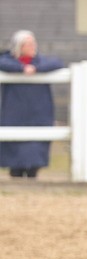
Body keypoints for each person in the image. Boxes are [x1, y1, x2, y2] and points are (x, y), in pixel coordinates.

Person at [0, 30, 65, 179]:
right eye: (28, 44)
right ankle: (16, 174)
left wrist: (35, 69)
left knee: (35, 146)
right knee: (14, 147)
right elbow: (3, 63)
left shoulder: (40, 62)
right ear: (19, 46)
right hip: (14, 111)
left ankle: (32, 173)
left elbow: (56, 63)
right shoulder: (9, 61)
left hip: (38, 111)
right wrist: (22, 69)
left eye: (32, 43)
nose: (32, 46)